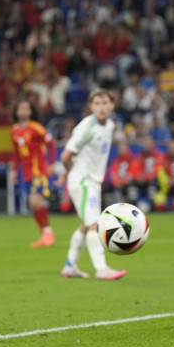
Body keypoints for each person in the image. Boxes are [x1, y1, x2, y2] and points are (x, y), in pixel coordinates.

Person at [55, 88, 126, 281]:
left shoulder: (110, 125)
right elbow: (65, 155)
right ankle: (101, 269)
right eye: (96, 103)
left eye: (105, 103)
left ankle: (70, 266)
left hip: (92, 181)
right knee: (95, 224)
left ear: (112, 105)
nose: (101, 107)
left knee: (85, 226)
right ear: (90, 106)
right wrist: (71, 173)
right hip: (84, 181)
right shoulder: (86, 127)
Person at [10, 98, 56, 247]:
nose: (23, 111)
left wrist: (52, 163)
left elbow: (51, 144)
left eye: (26, 108)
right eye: (20, 108)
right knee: (33, 205)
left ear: (30, 112)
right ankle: (44, 234)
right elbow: (16, 153)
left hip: (38, 171)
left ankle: (48, 233)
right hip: (26, 173)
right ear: (16, 112)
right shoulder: (14, 130)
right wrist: (14, 171)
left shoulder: (36, 127)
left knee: (34, 201)